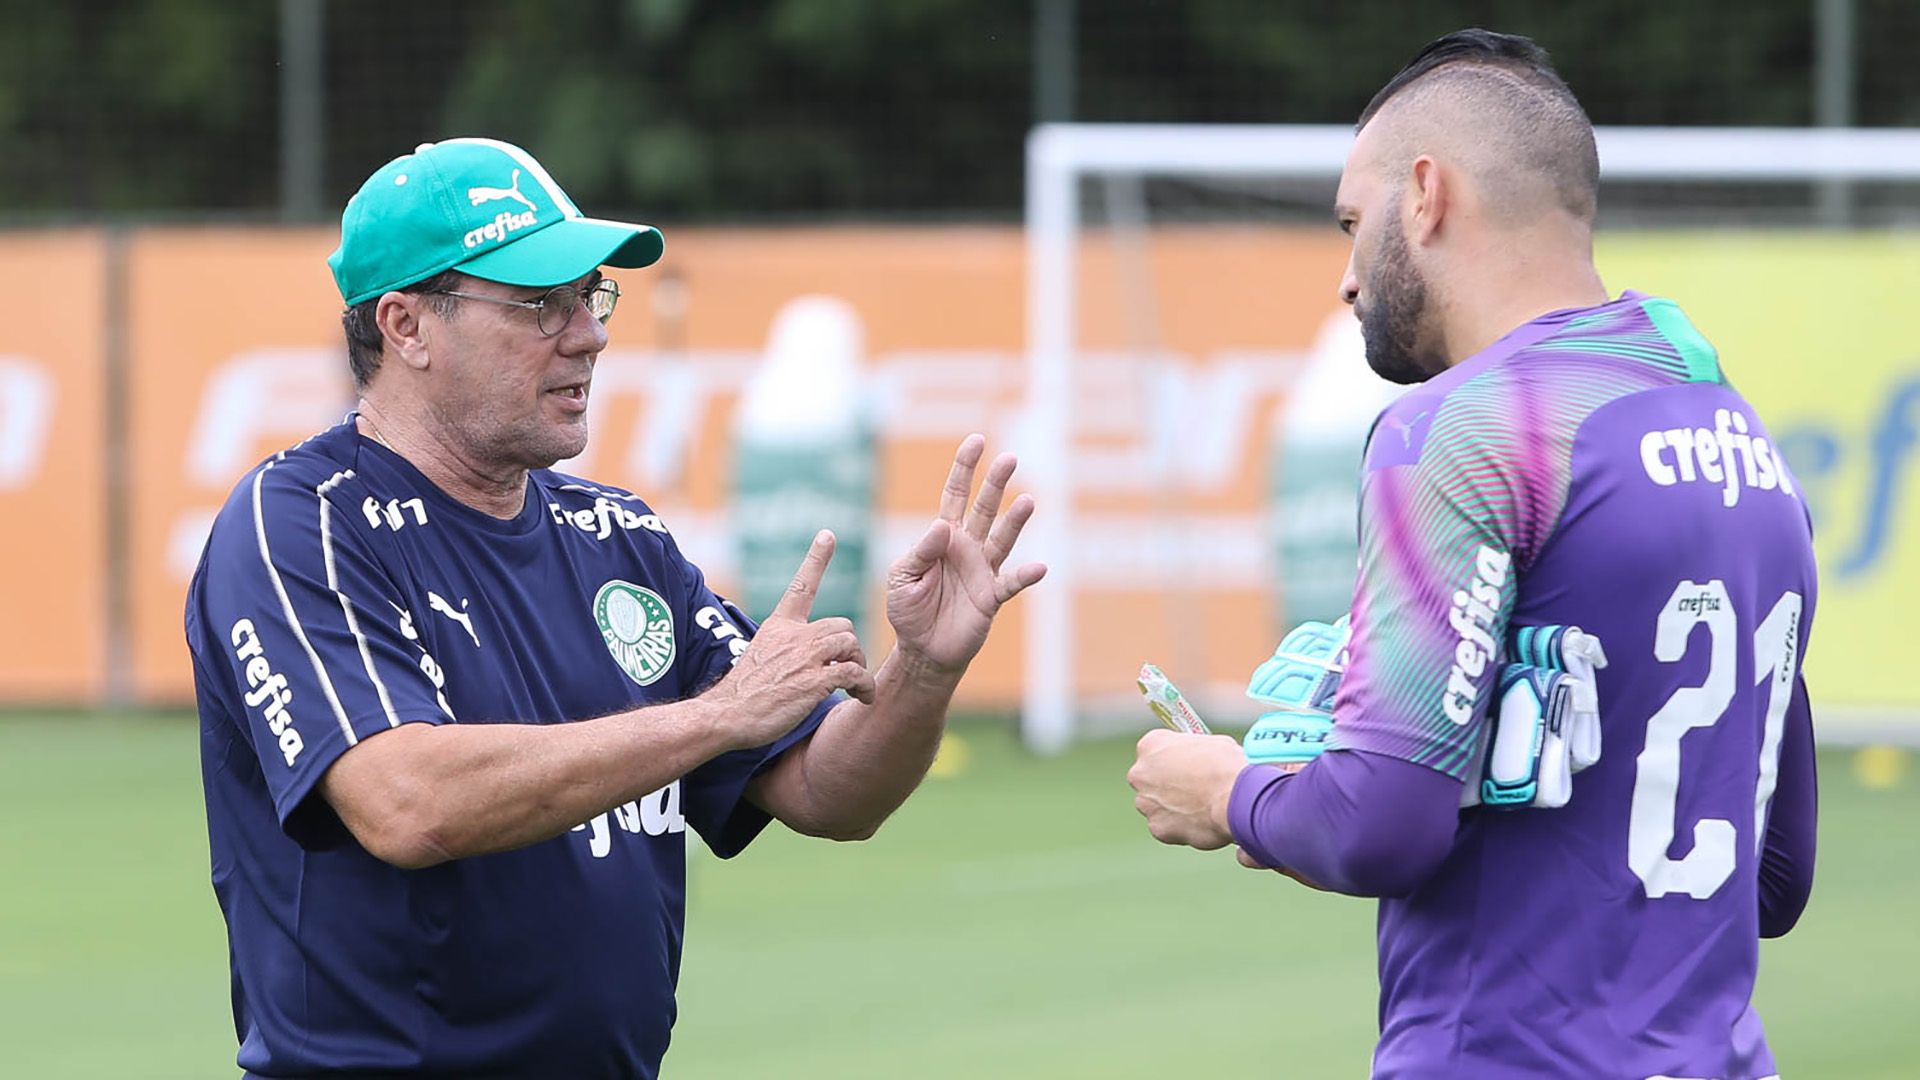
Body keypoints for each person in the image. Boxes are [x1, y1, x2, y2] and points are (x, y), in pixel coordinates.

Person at [185, 137, 1045, 1079]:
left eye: (590, 297)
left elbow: (828, 793)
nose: (587, 335)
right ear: (407, 326)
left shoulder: (618, 535)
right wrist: (718, 716)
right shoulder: (301, 520)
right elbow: (407, 802)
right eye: (538, 304)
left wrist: (923, 669)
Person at [1126, 30, 1816, 1080]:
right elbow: (1775, 875)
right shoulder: (1733, 423)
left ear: (1425, 195)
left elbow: (1380, 828)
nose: (1346, 279)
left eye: (1352, 224)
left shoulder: (1462, 428)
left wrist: (1229, 791)